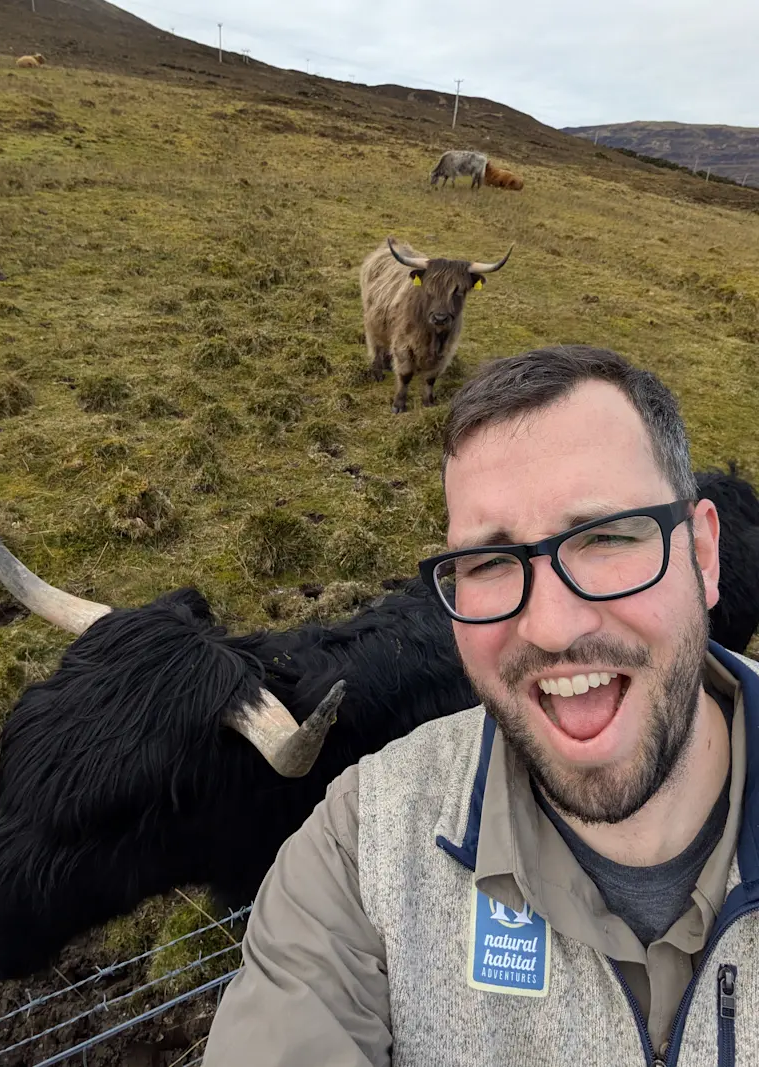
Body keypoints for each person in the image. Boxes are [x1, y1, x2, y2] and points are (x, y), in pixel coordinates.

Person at [201, 345, 759, 1066]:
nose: (553, 626)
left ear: (704, 554)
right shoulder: (359, 854)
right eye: (491, 562)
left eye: (607, 537)